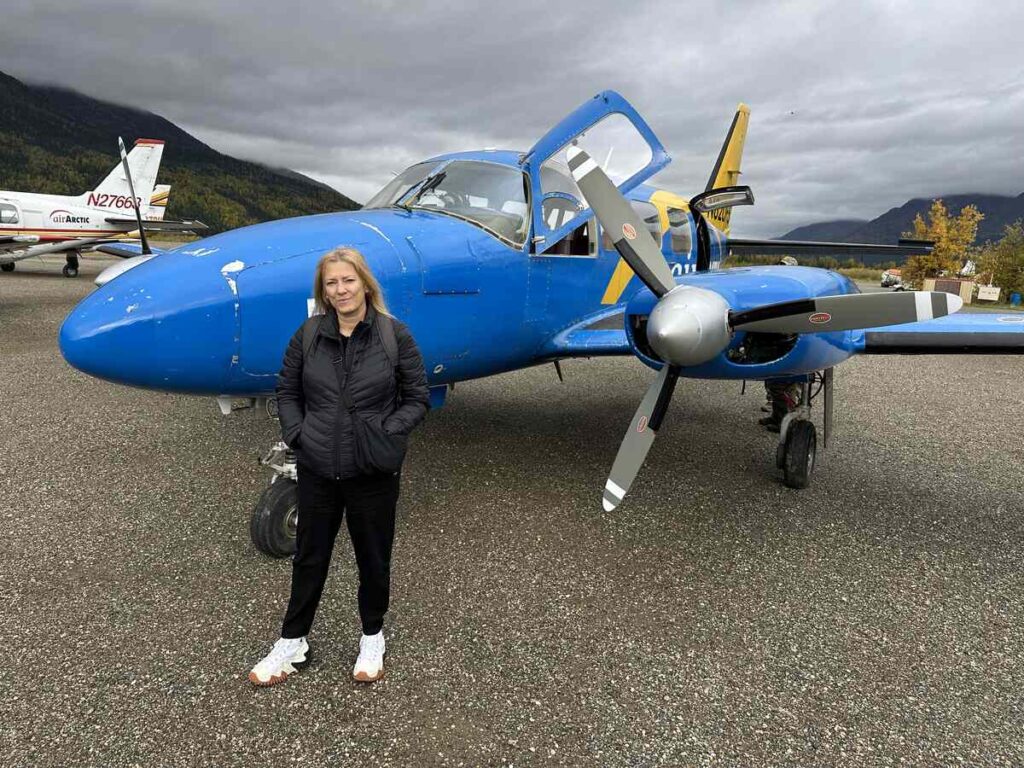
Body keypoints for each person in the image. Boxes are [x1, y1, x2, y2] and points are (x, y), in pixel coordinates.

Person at [249, 246, 429, 686]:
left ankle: (372, 636)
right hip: (318, 468)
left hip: (372, 471)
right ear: (323, 292)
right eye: (331, 283)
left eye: (348, 280)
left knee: (373, 559)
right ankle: (293, 641)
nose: (340, 290)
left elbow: (417, 397)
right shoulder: (308, 335)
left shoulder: (393, 335)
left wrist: (387, 433)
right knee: (309, 557)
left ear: (364, 283)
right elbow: (286, 390)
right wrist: (298, 434)